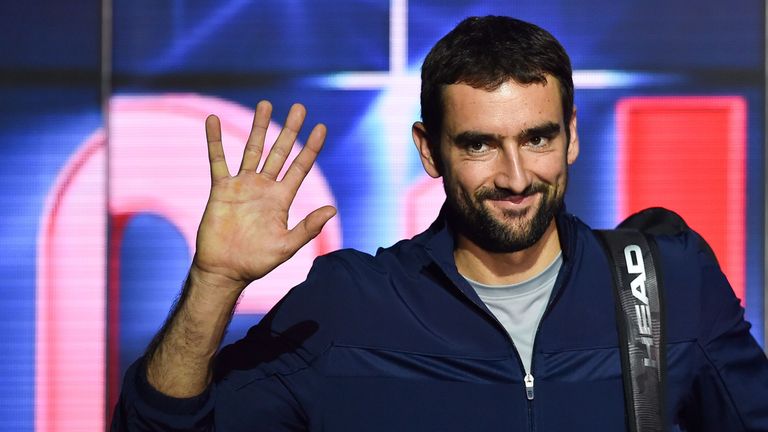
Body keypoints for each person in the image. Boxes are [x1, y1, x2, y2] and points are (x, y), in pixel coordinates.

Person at [112, 16, 768, 431]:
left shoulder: (666, 282)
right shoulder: (346, 305)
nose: (515, 176)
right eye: (480, 144)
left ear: (571, 137)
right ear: (429, 150)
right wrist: (214, 280)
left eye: (537, 138)